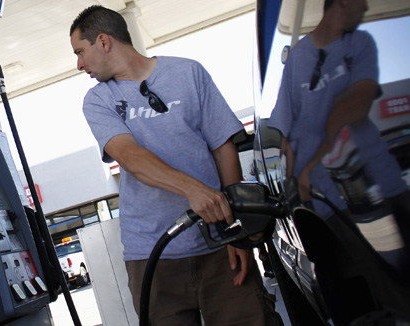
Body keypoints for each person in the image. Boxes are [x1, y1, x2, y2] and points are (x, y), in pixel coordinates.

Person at [70, 6, 282, 325]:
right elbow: (129, 156)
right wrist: (194, 191)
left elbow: (223, 147)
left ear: (103, 41)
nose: (79, 64)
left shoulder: (188, 73)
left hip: (218, 246)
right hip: (151, 256)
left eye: (80, 52)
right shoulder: (97, 100)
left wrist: (235, 230)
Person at [268, 0, 410, 244]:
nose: (365, 7)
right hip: (323, 196)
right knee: (352, 267)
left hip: (379, 179)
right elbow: (285, 130)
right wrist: (295, 178)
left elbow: (357, 104)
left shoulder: (361, 43)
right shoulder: (297, 59)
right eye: (361, 2)